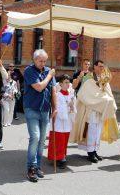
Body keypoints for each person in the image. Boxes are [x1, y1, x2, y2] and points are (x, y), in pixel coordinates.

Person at [70, 60, 120, 163]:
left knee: (98, 130)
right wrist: (96, 98)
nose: (102, 68)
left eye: (103, 67)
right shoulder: (89, 77)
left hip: (101, 107)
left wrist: (107, 98)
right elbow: (86, 91)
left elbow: (107, 92)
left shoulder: (103, 77)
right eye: (100, 66)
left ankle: (95, 150)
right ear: (95, 67)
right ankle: (90, 153)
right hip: (90, 107)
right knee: (91, 130)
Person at [24, 49, 57, 183]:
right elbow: (39, 87)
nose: (43, 63)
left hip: (45, 109)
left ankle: (37, 166)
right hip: (32, 108)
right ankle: (31, 167)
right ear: (34, 60)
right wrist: (49, 75)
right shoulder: (29, 71)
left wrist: (55, 107)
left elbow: (53, 89)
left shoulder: (48, 70)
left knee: (42, 139)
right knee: (35, 137)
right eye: (40, 61)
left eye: (44, 61)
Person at [48, 74, 76, 169]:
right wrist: (68, 106)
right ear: (60, 84)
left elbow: (73, 108)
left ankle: (62, 155)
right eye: (66, 82)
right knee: (59, 139)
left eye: (69, 82)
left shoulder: (71, 94)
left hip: (67, 120)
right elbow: (58, 108)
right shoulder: (57, 95)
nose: (68, 84)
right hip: (59, 120)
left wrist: (72, 106)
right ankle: (57, 157)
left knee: (65, 139)